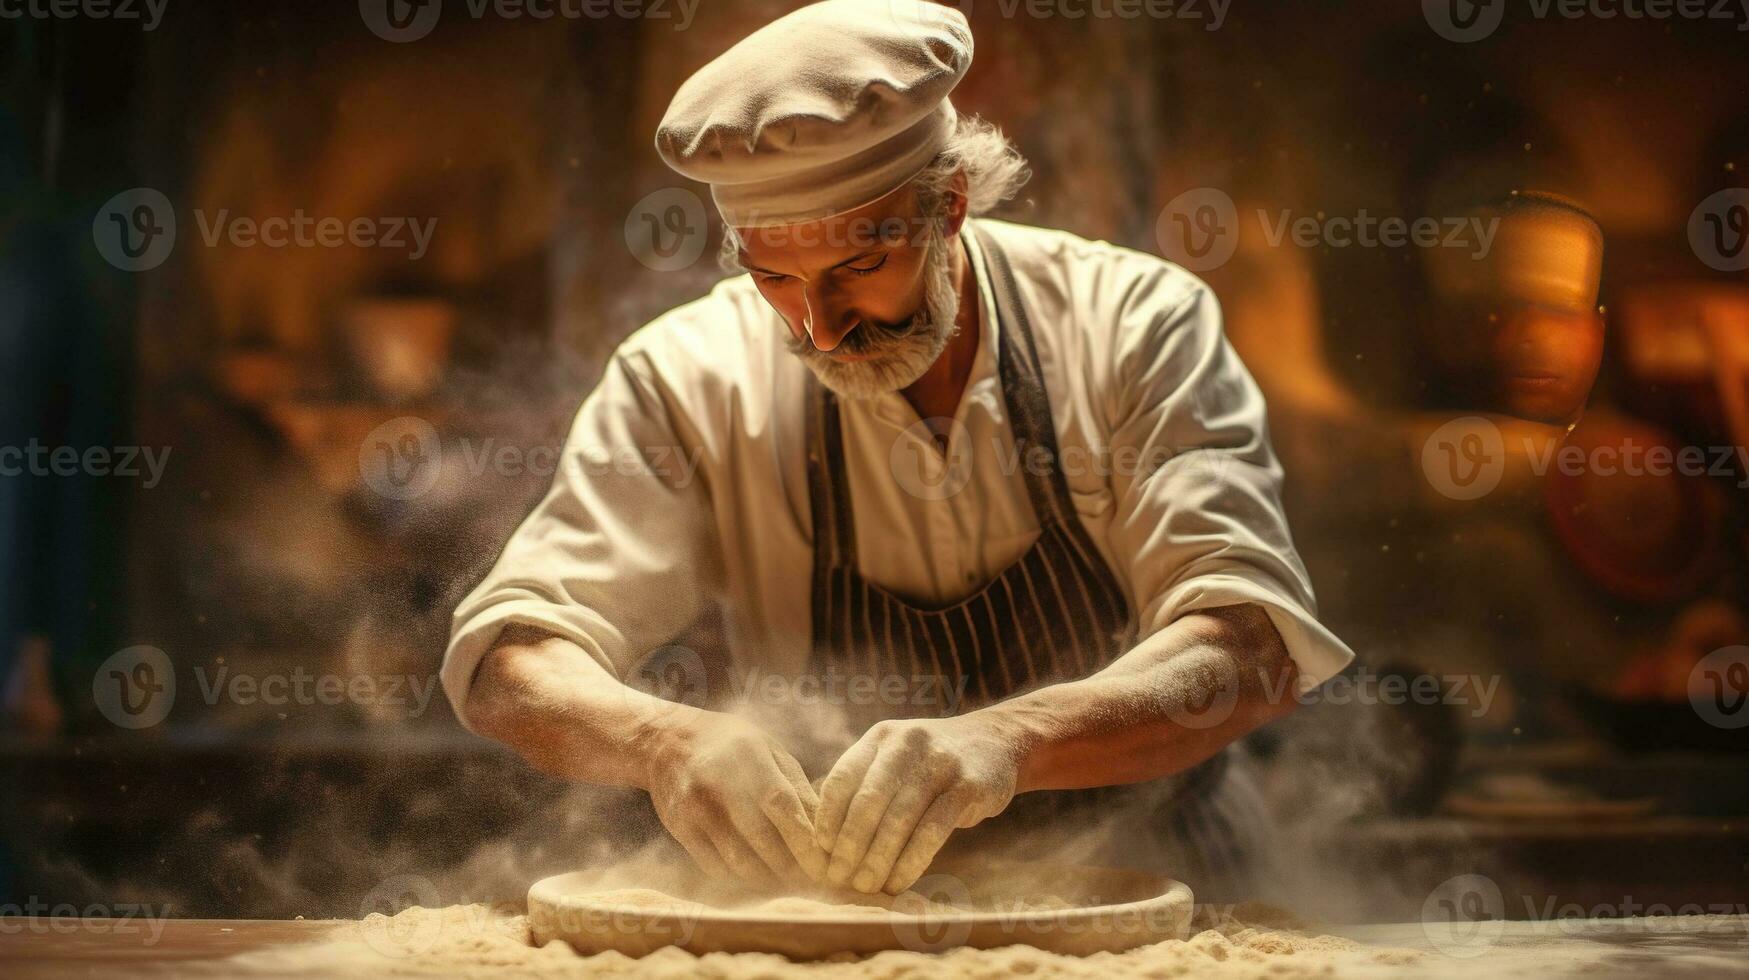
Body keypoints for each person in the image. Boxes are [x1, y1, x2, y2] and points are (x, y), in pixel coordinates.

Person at [442, 0, 1353, 900]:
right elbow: (511, 660)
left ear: (947, 205)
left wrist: (1008, 740)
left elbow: (1252, 643)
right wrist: (663, 742)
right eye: (775, 278)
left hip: (1172, 879)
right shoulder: (686, 376)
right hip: (854, 909)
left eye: (857, 268)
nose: (821, 328)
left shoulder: (1133, 325)